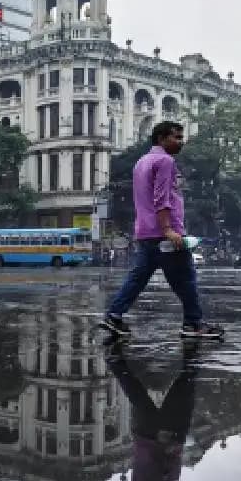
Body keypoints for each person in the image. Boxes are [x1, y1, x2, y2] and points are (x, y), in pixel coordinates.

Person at [99, 121, 224, 339]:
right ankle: (193, 324)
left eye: (181, 137)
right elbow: (161, 198)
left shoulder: (142, 162)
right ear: (161, 138)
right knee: (186, 280)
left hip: (146, 232)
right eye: (176, 137)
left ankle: (114, 315)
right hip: (165, 234)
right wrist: (168, 229)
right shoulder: (165, 161)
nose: (180, 142)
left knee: (138, 278)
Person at [109, 341, 199, 481]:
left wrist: (171, 468)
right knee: (138, 396)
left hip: (163, 440)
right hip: (145, 439)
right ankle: (114, 359)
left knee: (184, 389)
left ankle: (192, 351)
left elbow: (160, 478)